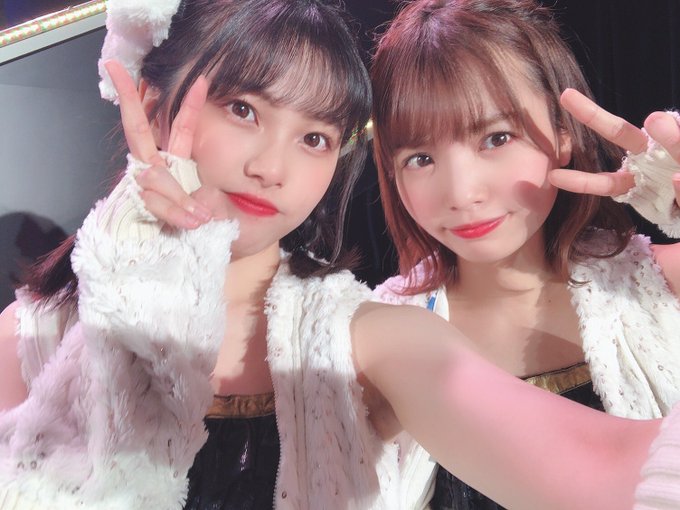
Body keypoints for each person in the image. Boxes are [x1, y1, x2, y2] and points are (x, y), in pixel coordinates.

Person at [0, 0, 436, 508]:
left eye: (314, 138)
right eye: (242, 110)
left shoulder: (366, 337)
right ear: (151, 106)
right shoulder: (30, 337)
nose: (271, 168)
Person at [369, 0, 680, 507]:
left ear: (562, 132)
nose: (462, 193)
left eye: (496, 138)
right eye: (420, 157)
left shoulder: (665, 285)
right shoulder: (370, 341)